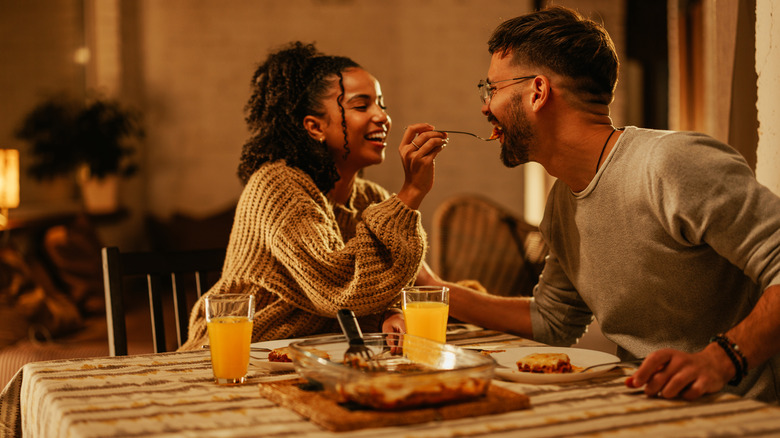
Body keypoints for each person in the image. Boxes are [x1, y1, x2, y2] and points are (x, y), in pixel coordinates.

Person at [445, 6, 780, 403]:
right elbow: (552, 320)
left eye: (493, 89)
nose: (486, 107)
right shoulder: (562, 202)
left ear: (537, 92)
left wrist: (720, 360)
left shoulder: (671, 164)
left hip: (738, 410)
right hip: (644, 404)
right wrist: (434, 290)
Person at [180, 42, 449, 349]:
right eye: (362, 106)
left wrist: (388, 315)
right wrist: (411, 191)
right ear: (315, 127)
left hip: (313, 357)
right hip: (232, 355)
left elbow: (381, 290)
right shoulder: (277, 186)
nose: (382, 117)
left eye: (382, 104)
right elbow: (338, 290)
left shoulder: (370, 199)